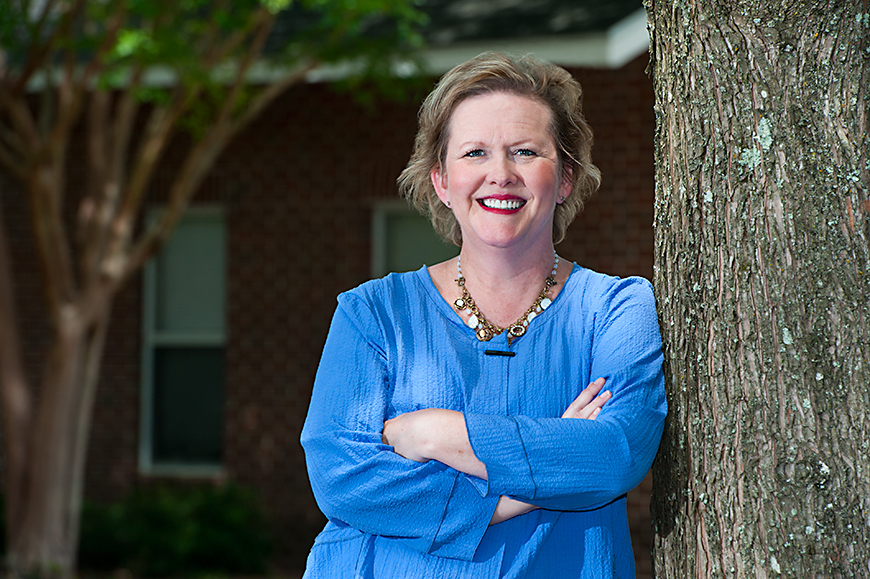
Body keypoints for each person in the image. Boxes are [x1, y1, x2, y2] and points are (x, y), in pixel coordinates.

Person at [300, 52, 666, 578]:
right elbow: (340, 476)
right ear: (442, 182)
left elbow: (614, 453)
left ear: (564, 177)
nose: (501, 174)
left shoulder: (615, 310)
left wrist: (438, 434)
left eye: (525, 151)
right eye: (474, 153)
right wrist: (524, 488)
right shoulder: (374, 315)